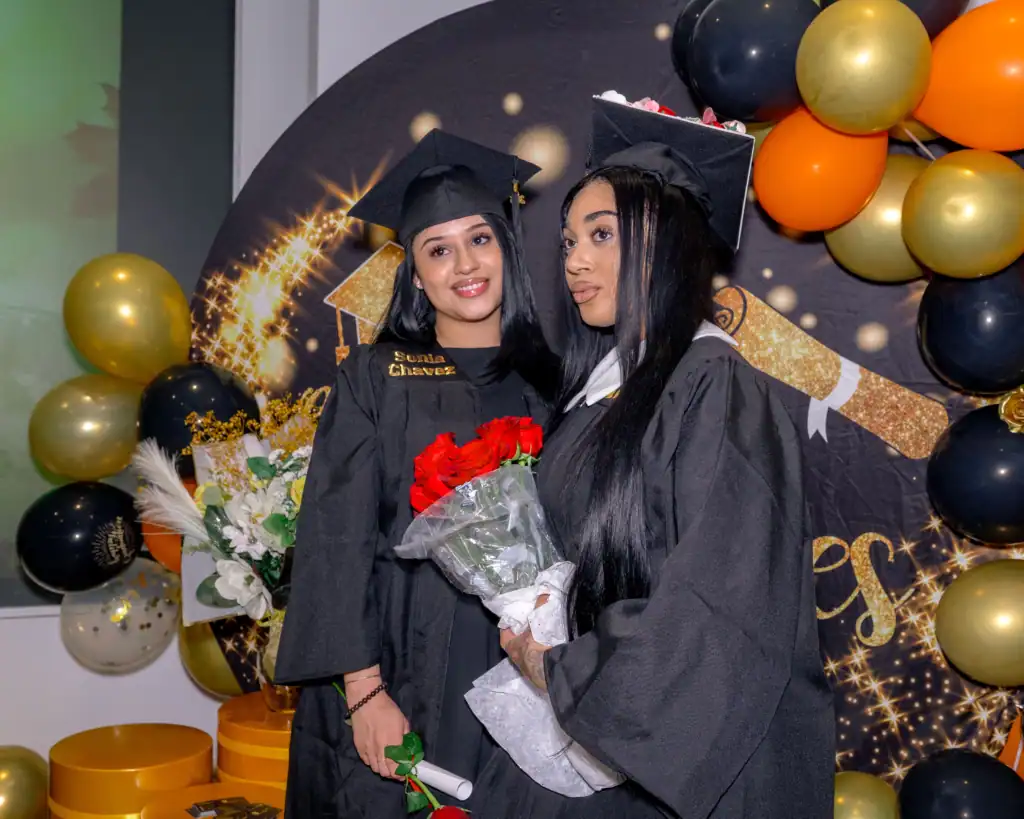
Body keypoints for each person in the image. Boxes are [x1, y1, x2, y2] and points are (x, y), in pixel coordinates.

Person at [490, 95, 836, 817]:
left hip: (680, 754)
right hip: (602, 736)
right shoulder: (602, 395)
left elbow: (718, 603)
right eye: (568, 241)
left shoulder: (715, 386)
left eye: (602, 234)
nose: (575, 260)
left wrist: (563, 668)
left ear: (665, 242)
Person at [274, 129, 558, 818]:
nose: (465, 263)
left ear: (506, 248)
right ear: (417, 272)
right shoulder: (376, 378)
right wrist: (365, 692)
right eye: (439, 248)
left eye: (480, 239)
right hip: (398, 659)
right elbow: (334, 540)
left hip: (523, 670)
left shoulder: (552, 381)